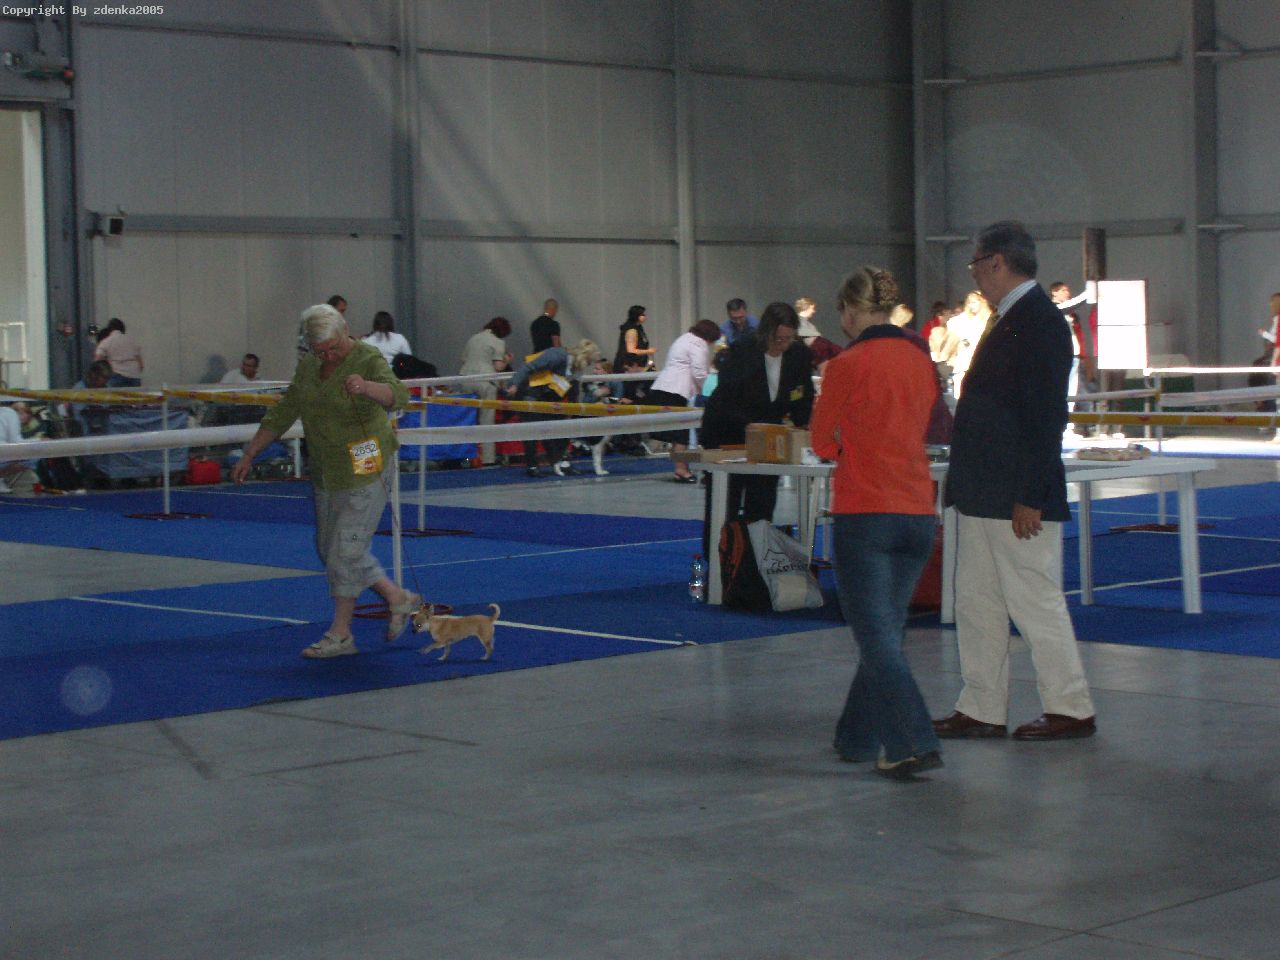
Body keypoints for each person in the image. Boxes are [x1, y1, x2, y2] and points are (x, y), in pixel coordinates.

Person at [933, 220, 1097, 742]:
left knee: (1033, 599)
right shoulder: (1011, 318)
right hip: (983, 490)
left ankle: (1070, 706)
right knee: (976, 602)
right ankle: (982, 706)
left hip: (1015, 494)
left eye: (976, 264)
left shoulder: (1040, 322)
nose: (975, 274)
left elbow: (1047, 417)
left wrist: (1031, 495)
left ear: (997, 261)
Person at [811, 266, 942, 780]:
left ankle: (910, 741)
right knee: (885, 629)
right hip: (916, 510)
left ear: (849, 311)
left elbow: (821, 440)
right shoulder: (919, 360)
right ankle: (857, 736)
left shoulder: (847, 364)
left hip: (865, 512)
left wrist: (851, 451)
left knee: (876, 638)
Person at [231, 303, 417, 659]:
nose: (328, 356)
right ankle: (397, 597)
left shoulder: (367, 357)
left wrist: (366, 387)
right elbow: (285, 410)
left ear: (345, 331)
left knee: (345, 550)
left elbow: (399, 395)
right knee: (328, 548)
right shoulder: (308, 366)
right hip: (328, 469)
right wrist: (250, 452)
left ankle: (341, 634)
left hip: (368, 463)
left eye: (333, 348)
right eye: (320, 351)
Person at [701, 301, 814, 550]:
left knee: (762, 503)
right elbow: (726, 398)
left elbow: (802, 394)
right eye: (778, 339)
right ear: (765, 333)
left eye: (788, 338)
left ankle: (757, 559)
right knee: (724, 505)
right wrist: (750, 425)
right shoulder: (742, 350)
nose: (782, 344)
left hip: (768, 437)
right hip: (727, 433)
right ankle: (719, 560)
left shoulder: (799, 355)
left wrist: (803, 424)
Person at [506, 339, 602, 478]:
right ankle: (532, 466)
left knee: (561, 427)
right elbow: (528, 367)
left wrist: (572, 410)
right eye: (589, 361)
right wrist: (514, 384)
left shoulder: (576, 369)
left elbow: (573, 390)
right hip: (529, 392)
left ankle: (560, 462)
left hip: (548, 397)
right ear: (583, 357)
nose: (589, 365)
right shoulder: (557, 355)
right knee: (533, 428)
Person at [645, 319, 720, 482]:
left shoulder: (683, 338)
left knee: (675, 434)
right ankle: (681, 470)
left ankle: (680, 468)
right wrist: (705, 391)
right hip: (676, 391)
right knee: (681, 434)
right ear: (709, 337)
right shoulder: (699, 344)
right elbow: (699, 372)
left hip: (661, 387)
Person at [459, 316, 514, 466]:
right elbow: (498, 366)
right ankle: (488, 459)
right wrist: (507, 359)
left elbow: (463, 359)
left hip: (466, 380)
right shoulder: (498, 342)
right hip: (486, 382)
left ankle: (466, 457)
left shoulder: (473, 338)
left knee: (468, 420)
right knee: (487, 420)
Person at [945, 290, 991, 398]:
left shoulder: (990, 319)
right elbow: (953, 331)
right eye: (969, 303)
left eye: (974, 302)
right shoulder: (963, 319)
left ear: (982, 302)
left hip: (983, 364)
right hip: (964, 363)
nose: (971, 305)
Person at [794, 296, 842, 376]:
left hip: (819, 345)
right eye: (812, 308)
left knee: (839, 352)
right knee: (833, 354)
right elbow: (798, 332)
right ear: (806, 307)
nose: (813, 311)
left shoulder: (808, 324)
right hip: (816, 346)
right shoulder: (796, 321)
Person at [93, 318, 144, 387]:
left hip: (116, 375)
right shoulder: (132, 341)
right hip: (134, 376)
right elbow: (141, 365)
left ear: (109, 330)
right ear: (123, 329)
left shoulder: (106, 342)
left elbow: (97, 361)